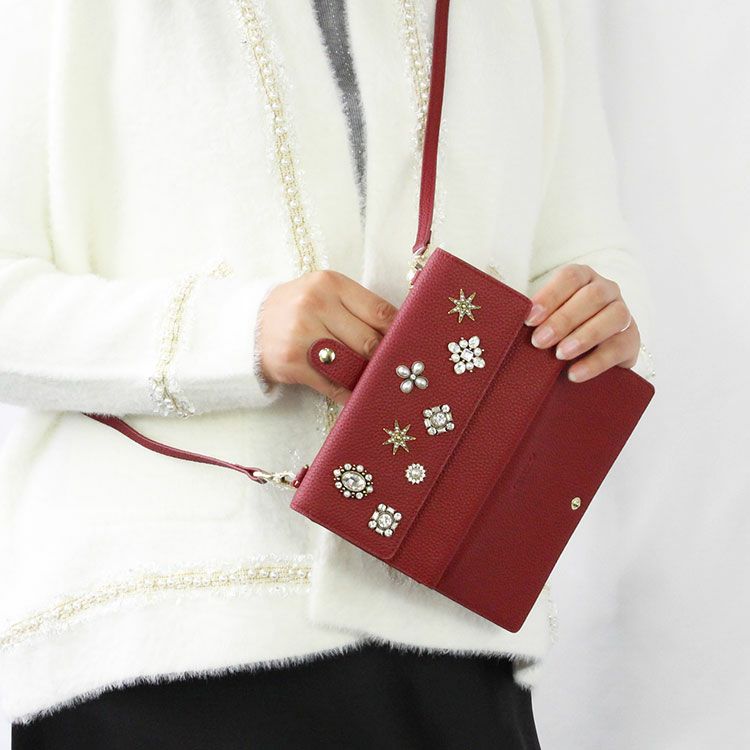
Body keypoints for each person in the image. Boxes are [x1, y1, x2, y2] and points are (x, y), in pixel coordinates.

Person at [0, 1, 655, 747]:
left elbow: (588, 252)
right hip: (168, 630)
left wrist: (600, 319)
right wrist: (238, 330)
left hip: (455, 628)